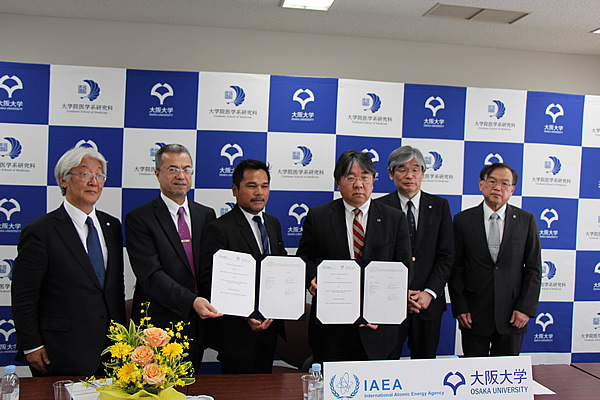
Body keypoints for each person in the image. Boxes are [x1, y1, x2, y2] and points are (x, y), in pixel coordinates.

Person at [11, 147, 126, 376]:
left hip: (112, 350)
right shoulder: (41, 231)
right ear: (63, 179)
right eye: (85, 174)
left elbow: (114, 286)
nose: (94, 182)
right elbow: (24, 295)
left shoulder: (111, 226)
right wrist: (32, 345)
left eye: (99, 175)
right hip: (61, 350)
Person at [297, 150, 412, 364]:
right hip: (332, 329)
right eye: (350, 178)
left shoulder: (394, 218)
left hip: (378, 328)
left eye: (365, 177)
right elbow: (305, 259)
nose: (358, 184)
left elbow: (404, 270)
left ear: (373, 182)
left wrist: (380, 311)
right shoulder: (319, 216)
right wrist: (311, 278)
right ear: (338, 183)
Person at [125, 143, 221, 370]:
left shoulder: (206, 215)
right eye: (172, 169)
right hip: (158, 325)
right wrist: (191, 301)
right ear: (157, 174)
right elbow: (151, 275)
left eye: (186, 169)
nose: (181, 176)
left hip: (198, 323)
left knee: (192, 382)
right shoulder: (139, 219)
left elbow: (212, 267)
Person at [199, 159, 286, 374]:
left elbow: (281, 266)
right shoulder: (219, 228)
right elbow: (210, 282)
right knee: (237, 389)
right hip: (236, 332)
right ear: (235, 190)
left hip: (269, 327)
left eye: (264, 186)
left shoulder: (273, 224)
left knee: (265, 387)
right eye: (251, 186)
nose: (259, 192)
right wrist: (245, 315)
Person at [449, 162, 542, 357]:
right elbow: (456, 268)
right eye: (492, 181)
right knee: (474, 371)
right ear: (481, 184)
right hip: (473, 314)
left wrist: (525, 308)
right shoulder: (463, 220)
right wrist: (460, 307)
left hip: (513, 314)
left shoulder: (526, 220)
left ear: (512, 189)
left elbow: (534, 269)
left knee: (506, 372)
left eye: (505, 183)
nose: (497, 188)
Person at [375, 145, 454, 359]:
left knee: (425, 366)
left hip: (428, 304)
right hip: (388, 304)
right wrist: (399, 295)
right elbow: (376, 258)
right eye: (402, 169)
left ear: (423, 173)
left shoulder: (440, 206)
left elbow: (447, 255)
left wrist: (429, 292)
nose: (409, 175)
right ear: (390, 173)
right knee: (385, 364)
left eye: (415, 169)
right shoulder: (378, 207)